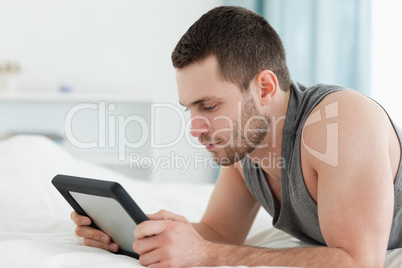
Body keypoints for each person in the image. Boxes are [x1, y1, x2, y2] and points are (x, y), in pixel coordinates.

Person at [71, 6, 402, 267]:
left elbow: (359, 262)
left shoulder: (340, 123)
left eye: (210, 106)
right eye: (190, 109)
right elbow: (219, 233)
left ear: (265, 88)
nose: (195, 129)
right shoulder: (245, 148)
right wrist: (135, 232)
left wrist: (209, 256)